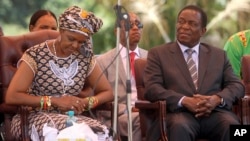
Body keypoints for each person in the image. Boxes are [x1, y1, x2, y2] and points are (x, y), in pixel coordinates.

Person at [5, 5, 113, 140]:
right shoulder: (36, 54)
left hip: (72, 118)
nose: (75, 46)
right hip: (33, 117)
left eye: (81, 42)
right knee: (72, 134)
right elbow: (12, 96)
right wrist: (54, 101)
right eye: (71, 39)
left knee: (102, 133)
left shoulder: (85, 57)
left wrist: (86, 102)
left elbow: (108, 92)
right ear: (61, 31)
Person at [143, 5, 244, 141]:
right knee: (180, 126)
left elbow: (237, 85)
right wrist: (184, 100)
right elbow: (152, 89)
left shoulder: (219, 55)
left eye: (192, 23)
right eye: (181, 21)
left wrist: (217, 99)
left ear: (203, 31)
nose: (184, 26)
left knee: (237, 129)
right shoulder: (158, 54)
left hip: (214, 113)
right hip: (178, 114)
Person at [96, 12, 147, 141]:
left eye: (138, 24)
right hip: (119, 116)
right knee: (140, 120)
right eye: (129, 25)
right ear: (116, 31)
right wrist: (129, 109)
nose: (135, 28)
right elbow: (100, 101)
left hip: (150, 110)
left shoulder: (151, 58)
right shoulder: (103, 61)